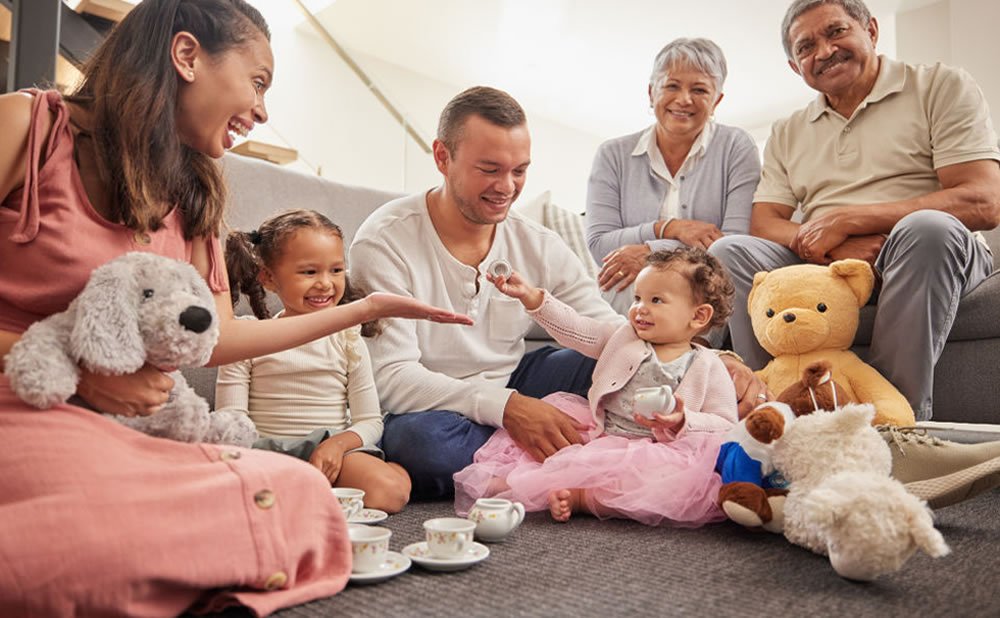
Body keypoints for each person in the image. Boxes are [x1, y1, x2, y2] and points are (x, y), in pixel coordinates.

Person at [0, 1, 470, 615]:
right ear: (187, 55)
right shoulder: (26, 127)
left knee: (299, 491)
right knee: (107, 523)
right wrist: (80, 370)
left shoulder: (195, 192)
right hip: (25, 403)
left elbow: (218, 337)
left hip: (137, 430)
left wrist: (361, 311)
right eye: (257, 82)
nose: (263, 110)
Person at [350, 86, 770, 501]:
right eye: (490, 169)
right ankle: (591, 457)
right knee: (419, 446)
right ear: (443, 157)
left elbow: (609, 328)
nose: (507, 187)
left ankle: (547, 455)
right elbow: (391, 378)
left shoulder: (538, 242)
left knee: (622, 363)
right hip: (433, 404)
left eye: (520, 170)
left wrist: (708, 361)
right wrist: (508, 408)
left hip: (518, 377)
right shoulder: (385, 240)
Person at [711, 0, 1000, 503]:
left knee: (925, 229)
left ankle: (895, 440)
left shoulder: (939, 85)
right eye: (806, 47)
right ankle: (775, 428)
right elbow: (765, 223)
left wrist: (849, 219)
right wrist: (831, 246)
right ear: (794, 66)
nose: (824, 51)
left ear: (870, 29)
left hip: (928, 248)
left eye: (836, 31)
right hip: (830, 264)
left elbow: (981, 200)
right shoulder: (788, 131)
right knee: (731, 249)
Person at [454, 248, 738, 526]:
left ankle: (584, 499)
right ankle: (517, 483)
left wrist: (684, 421)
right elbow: (577, 328)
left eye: (656, 300)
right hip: (604, 432)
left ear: (699, 316)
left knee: (660, 481)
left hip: (660, 448)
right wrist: (533, 298)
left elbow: (725, 423)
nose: (640, 308)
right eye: (637, 298)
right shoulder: (624, 337)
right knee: (562, 448)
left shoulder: (709, 366)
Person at [217, 209, 411, 513]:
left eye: (335, 270)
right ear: (268, 277)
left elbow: (371, 420)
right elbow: (230, 420)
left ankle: (309, 492)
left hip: (331, 450)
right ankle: (311, 494)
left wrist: (338, 445)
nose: (325, 284)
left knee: (390, 492)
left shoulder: (348, 338)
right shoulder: (248, 337)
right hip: (267, 451)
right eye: (309, 272)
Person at [586, 38, 761, 317]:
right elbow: (600, 246)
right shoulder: (612, 154)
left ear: (716, 100)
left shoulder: (737, 146)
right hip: (629, 293)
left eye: (700, 89)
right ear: (651, 92)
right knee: (617, 294)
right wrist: (668, 228)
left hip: (703, 291)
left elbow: (733, 244)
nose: (684, 99)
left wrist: (651, 251)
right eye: (671, 86)